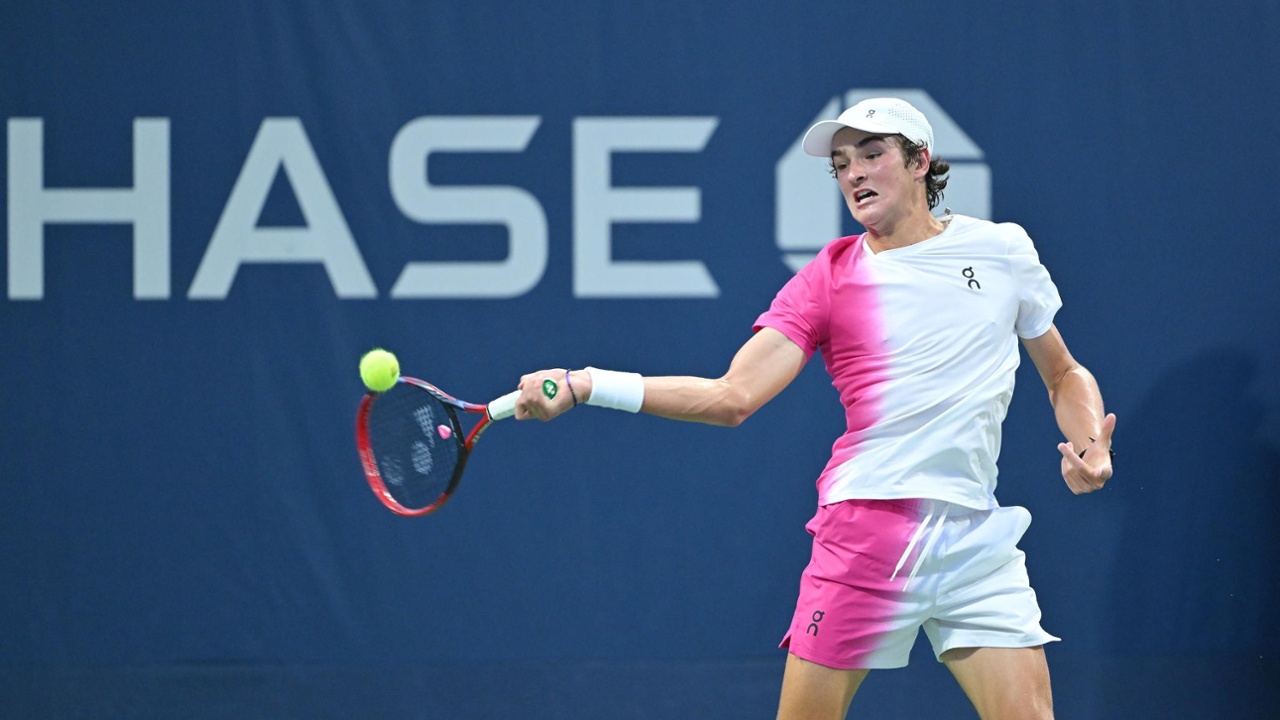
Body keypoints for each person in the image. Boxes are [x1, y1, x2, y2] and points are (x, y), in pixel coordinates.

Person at [510, 97, 1115, 720]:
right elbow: (731, 397)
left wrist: (1091, 443)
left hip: (976, 538)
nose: (853, 174)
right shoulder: (829, 279)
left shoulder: (1002, 251)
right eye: (841, 163)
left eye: (872, 154)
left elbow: (1063, 372)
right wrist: (587, 383)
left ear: (920, 162)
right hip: (867, 534)